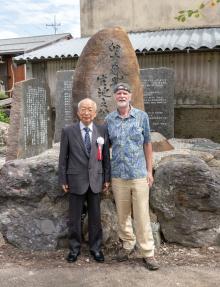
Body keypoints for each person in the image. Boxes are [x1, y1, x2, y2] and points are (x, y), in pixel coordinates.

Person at [105, 82, 159, 271]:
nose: (121, 96)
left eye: (124, 93)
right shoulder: (109, 119)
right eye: (118, 93)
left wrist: (149, 170)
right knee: (122, 215)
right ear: (115, 97)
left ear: (130, 96)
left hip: (138, 174)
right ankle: (128, 244)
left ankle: (148, 252)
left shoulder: (141, 117)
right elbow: (106, 147)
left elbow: (147, 144)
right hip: (118, 174)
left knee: (142, 215)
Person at [59, 98, 110, 263]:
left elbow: (106, 158)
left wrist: (106, 178)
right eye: (83, 109)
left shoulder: (102, 130)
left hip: (96, 180)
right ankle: (74, 249)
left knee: (95, 218)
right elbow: (63, 158)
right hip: (75, 180)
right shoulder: (68, 131)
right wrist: (63, 179)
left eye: (90, 110)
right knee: (74, 218)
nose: (86, 113)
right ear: (78, 112)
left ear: (95, 113)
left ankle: (96, 249)